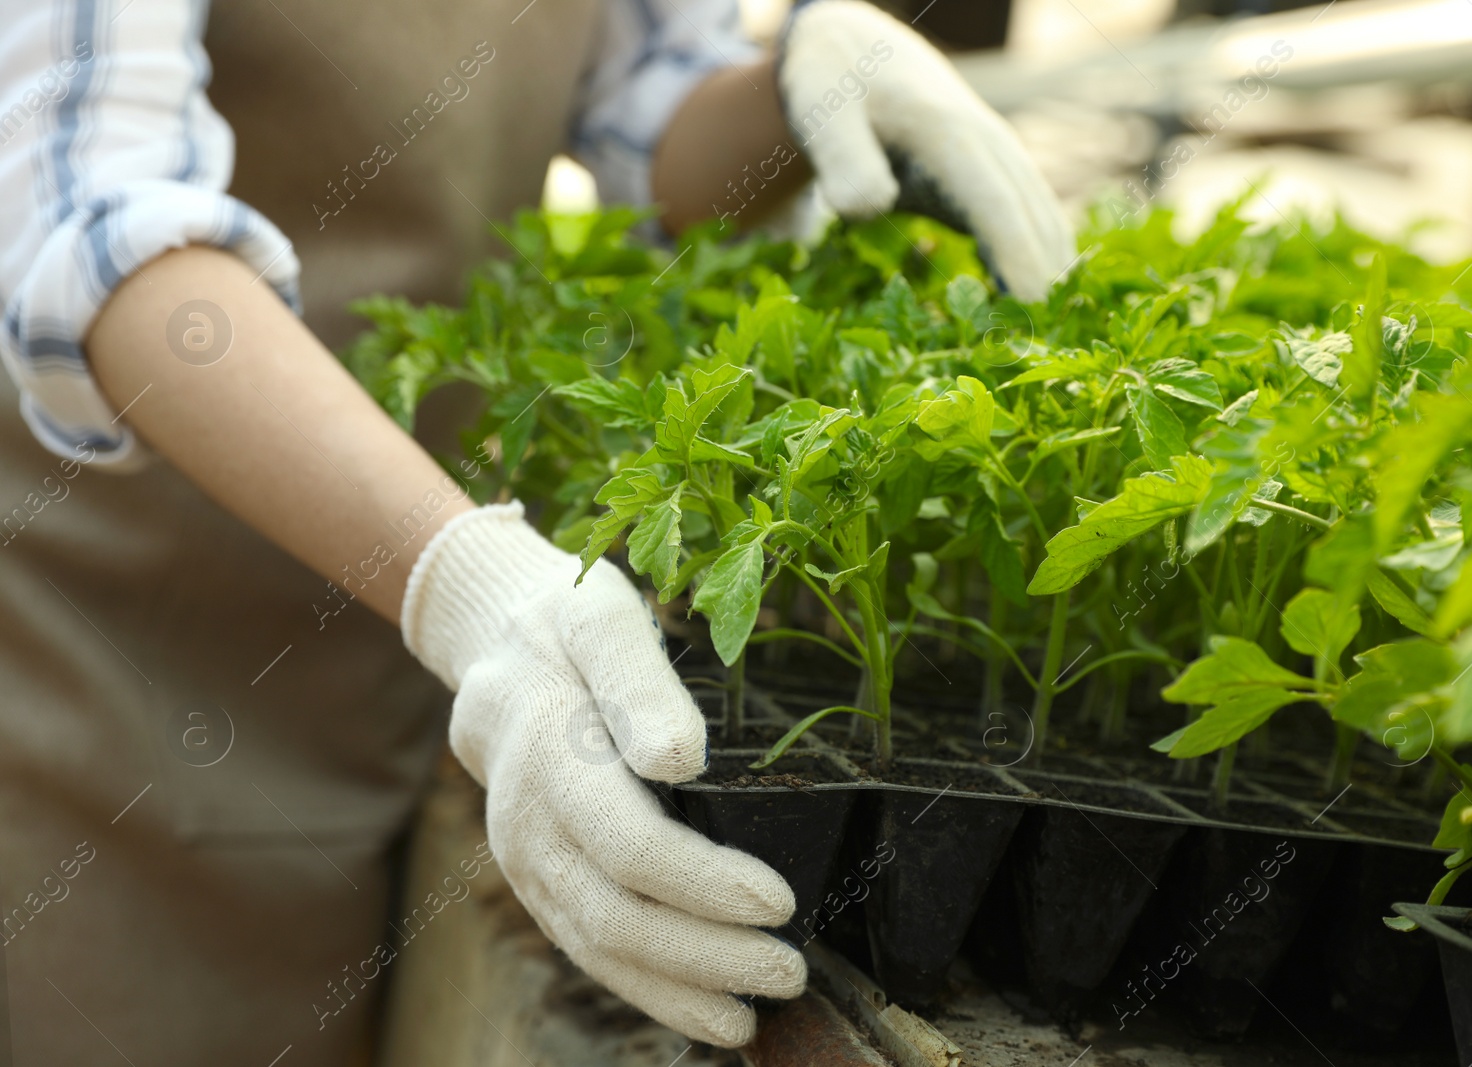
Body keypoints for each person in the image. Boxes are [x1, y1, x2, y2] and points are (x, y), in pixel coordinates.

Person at [0, 0, 1073, 1061]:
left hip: (397, 650)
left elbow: (647, 122)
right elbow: (92, 232)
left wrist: (802, 82)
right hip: (114, 678)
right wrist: (473, 584)